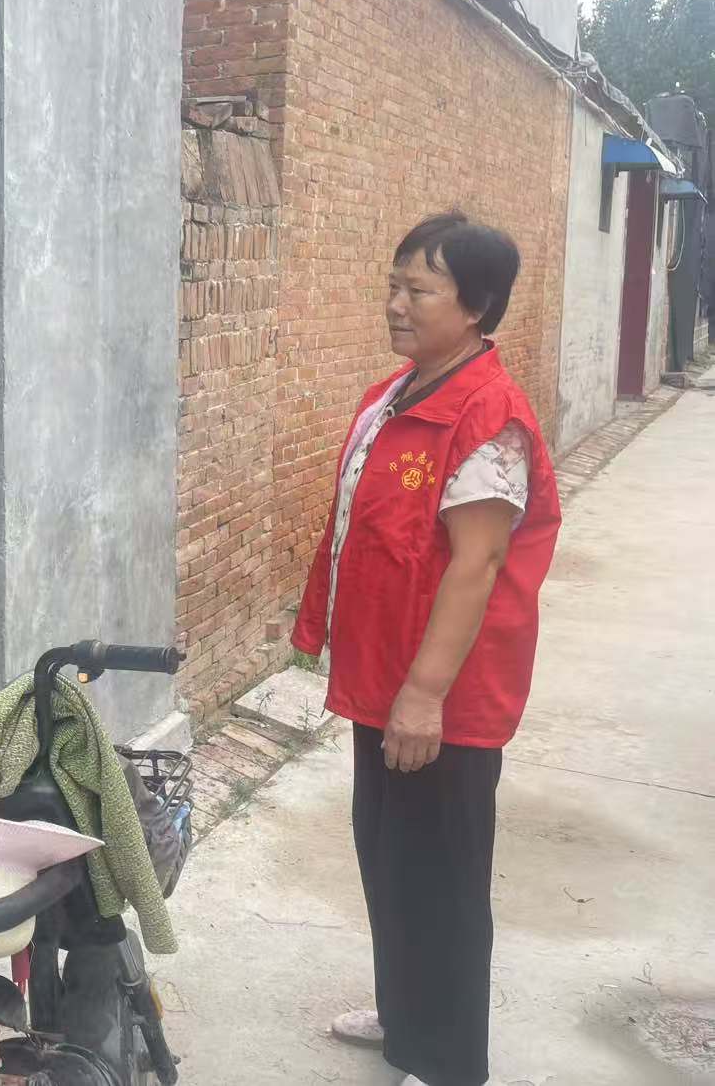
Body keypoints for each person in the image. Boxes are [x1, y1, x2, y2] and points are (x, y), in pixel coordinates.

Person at [291, 213, 561, 1086]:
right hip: (385, 677)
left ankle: (446, 1061)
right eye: (393, 285)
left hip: (442, 694)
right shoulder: (398, 394)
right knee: (389, 852)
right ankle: (405, 1010)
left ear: (476, 306)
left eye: (420, 290)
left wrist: (424, 694)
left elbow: (477, 564)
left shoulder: (488, 416)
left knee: (441, 874)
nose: (396, 304)